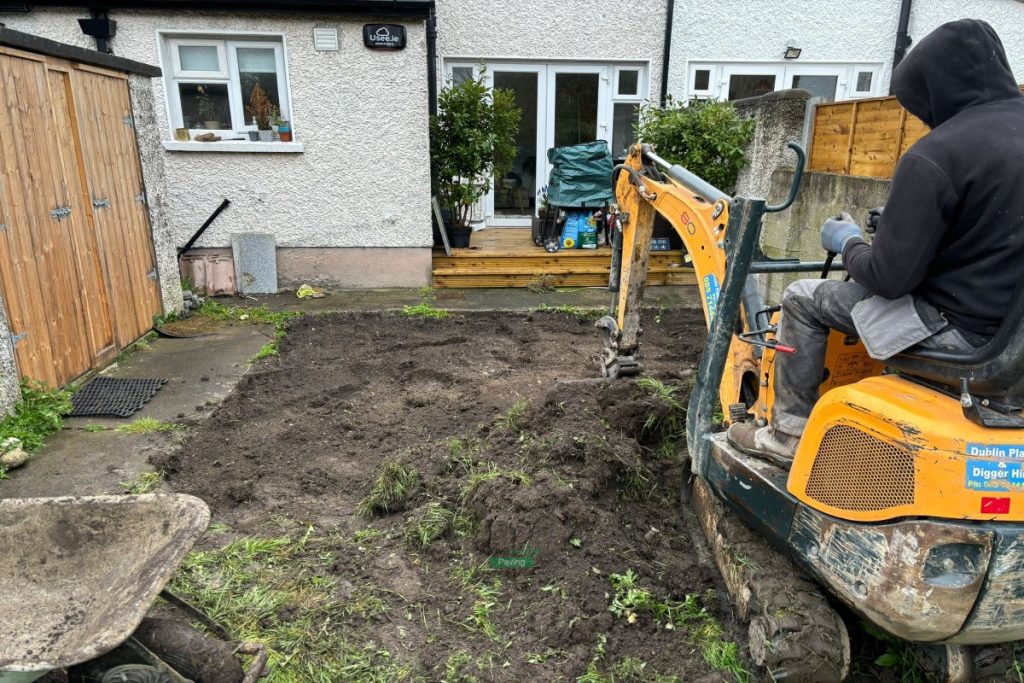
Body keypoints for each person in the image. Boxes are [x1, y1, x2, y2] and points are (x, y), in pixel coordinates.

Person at [728, 18, 1024, 468]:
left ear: (934, 90)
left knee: (801, 297)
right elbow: (992, 231)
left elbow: (889, 279)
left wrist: (849, 242)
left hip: (963, 337)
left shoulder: (938, 154)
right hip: (1012, 337)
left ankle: (787, 435)